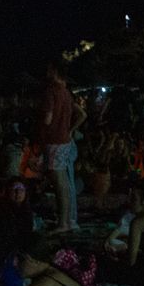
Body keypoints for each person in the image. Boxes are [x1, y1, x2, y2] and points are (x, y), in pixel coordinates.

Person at [39, 60, 83, 233]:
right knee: (64, 182)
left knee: (58, 183)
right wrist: (70, 129)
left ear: (54, 70)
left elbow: (48, 118)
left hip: (54, 140)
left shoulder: (51, 91)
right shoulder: (66, 93)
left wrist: (42, 127)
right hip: (64, 140)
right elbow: (79, 114)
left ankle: (62, 223)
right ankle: (66, 220)